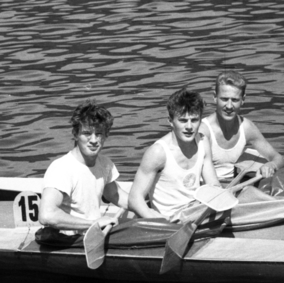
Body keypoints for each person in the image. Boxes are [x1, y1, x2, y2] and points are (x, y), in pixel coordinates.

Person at [128, 87, 220, 221]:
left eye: (194, 120)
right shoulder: (157, 153)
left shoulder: (203, 142)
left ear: (200, 120)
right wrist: (160, 221)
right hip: (168, 220)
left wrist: (216, 194)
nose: (189, 127)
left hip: (194, 212)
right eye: (183, 120)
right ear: (170, 121)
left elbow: (213, 184)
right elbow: (134, 199)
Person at [39, 100, 126, 232]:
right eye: (87, 133)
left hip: (93, 232)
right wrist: (94, 223)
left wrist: (149, 211)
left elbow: (115, 195)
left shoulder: (105, 164)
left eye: (99, 134)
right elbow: (46, 215)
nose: (94, 140)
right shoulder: (61, 169)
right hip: (68, 240)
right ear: (75, 134)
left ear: (106, 135)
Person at [202, 70, 284, 184]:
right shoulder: (203, 130)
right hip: (208, 187)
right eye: (224, 99)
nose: (229, 106)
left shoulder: (246, 128)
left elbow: (279, 158)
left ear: (243, 100)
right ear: (214, 97)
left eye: (235, 100)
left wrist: (271, 165)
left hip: (234, 185)